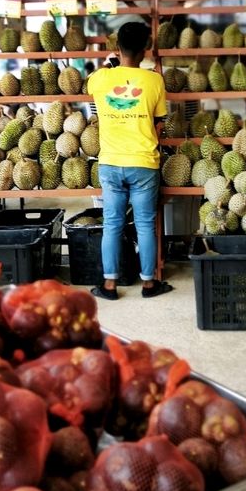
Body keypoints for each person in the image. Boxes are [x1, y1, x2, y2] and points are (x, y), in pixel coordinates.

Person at [86, 21, 172, 300]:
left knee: (112, 224)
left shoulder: (99, 79)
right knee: (146, 224)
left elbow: (95, 102)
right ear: (146, 49)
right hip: (144, 162)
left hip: (110, 161)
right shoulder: (155, 80)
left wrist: (109, 66)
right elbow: (160, 123)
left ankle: (109, 285)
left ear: (116, 47)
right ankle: (149, 284)